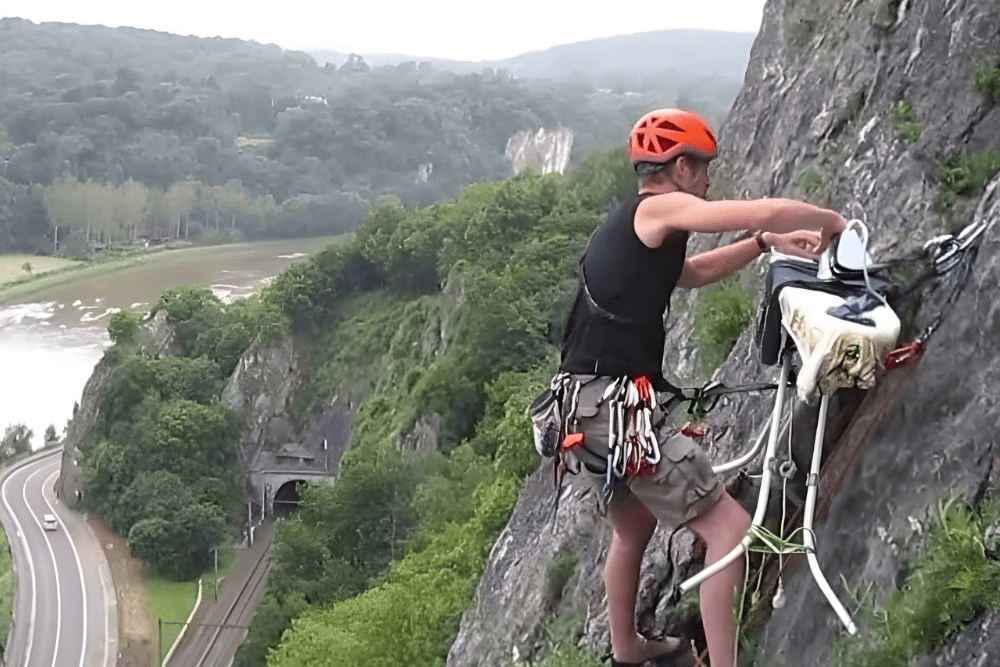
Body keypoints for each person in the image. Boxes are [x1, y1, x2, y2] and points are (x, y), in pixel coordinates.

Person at [557, 109, 847, 667]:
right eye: (704, 168)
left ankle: (628, 651)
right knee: (732, 533)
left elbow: (691, 275)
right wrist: (833, 221)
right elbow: (757, 207)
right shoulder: (659, 208)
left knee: (634, 524)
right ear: (681, 166)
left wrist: (763, 243)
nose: (709, 179)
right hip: (614, 410)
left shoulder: (638, 228)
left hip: (583, 408)